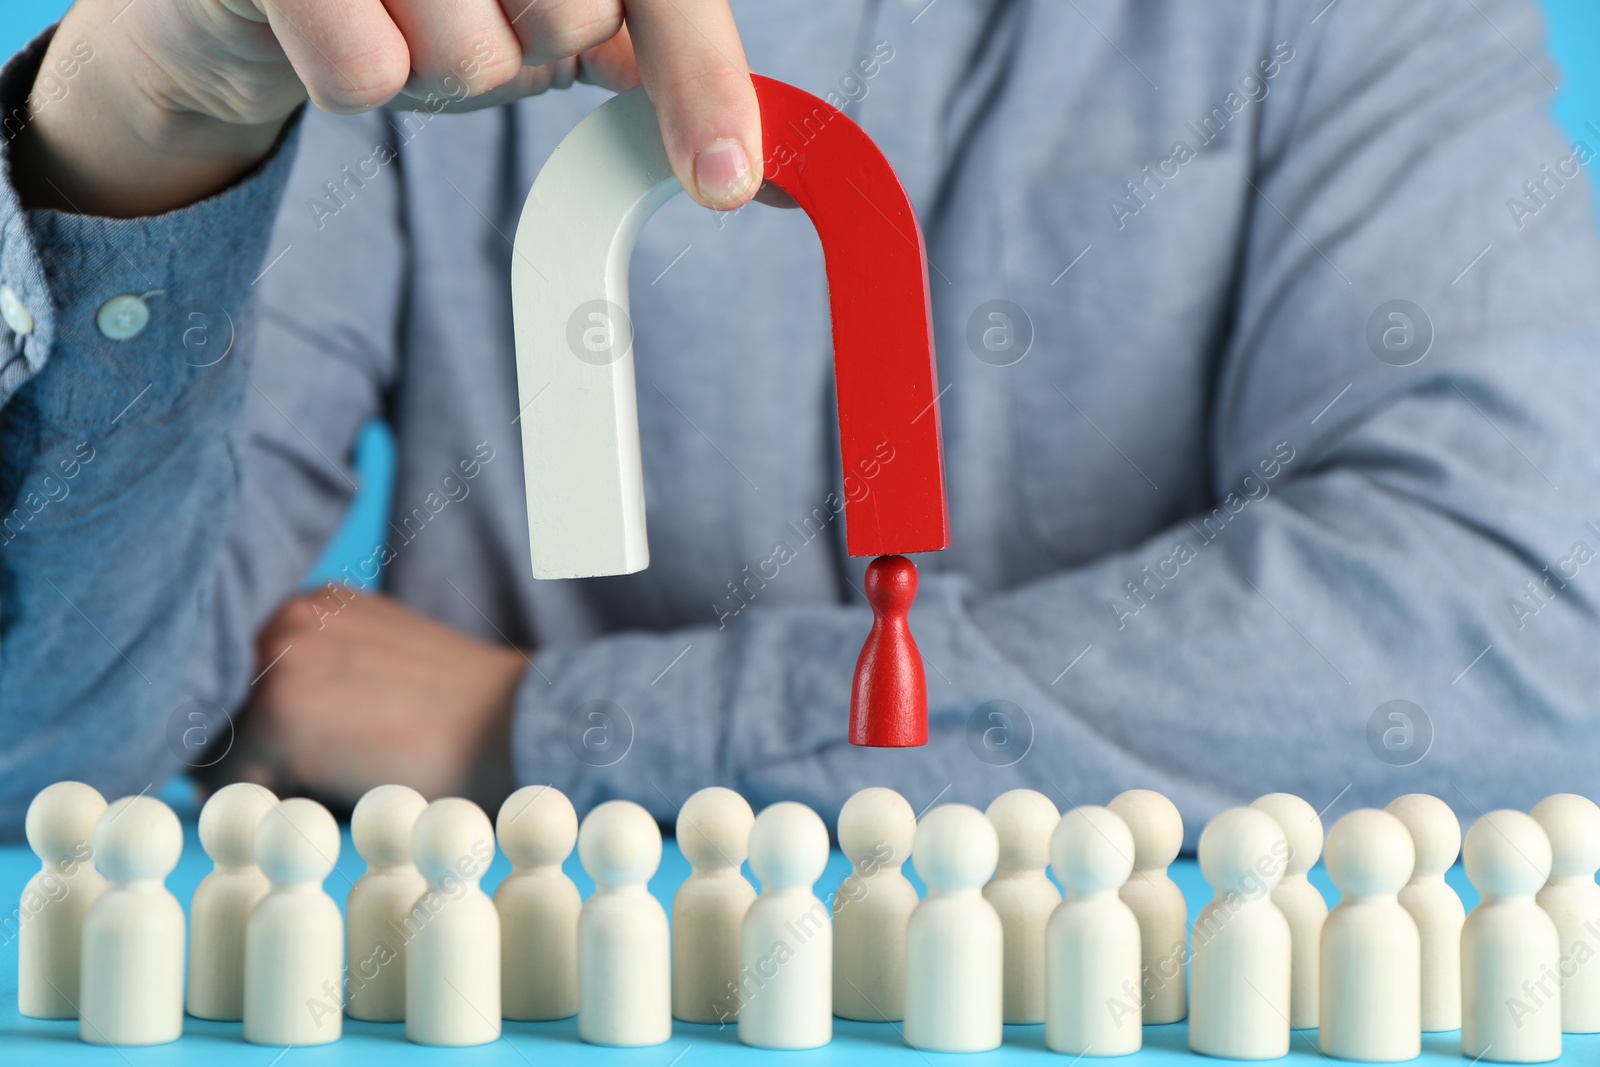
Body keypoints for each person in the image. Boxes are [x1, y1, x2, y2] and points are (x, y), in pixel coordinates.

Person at [2, 0, 1597, 843]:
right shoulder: (419, 23)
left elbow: (1522, 628)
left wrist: (536, 730)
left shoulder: (1352, 20)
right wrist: (138, 137)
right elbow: (55, 753)